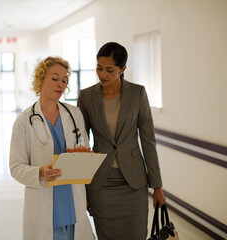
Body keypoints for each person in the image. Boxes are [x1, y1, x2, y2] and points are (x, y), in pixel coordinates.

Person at [77, 42, 166, 240]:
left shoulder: (137, 94)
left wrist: (157, 187)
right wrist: (81, 189)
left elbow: (148, 141)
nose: (103, 75)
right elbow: (81, 144)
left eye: (110, 70)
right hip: (100, 183)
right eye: (99, 68)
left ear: (123, 69)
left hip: (133, 184)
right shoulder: (86, 97)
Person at [9, 56, 95, 240]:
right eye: (54, 78)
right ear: (40, 80)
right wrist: (39, 172)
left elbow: (85, 150)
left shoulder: (74, 114)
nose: (60, 84)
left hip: (73, 202)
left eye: (64, 80)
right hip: (45, 203)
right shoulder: (24, 121)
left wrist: (83, 155)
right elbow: (16, 167)